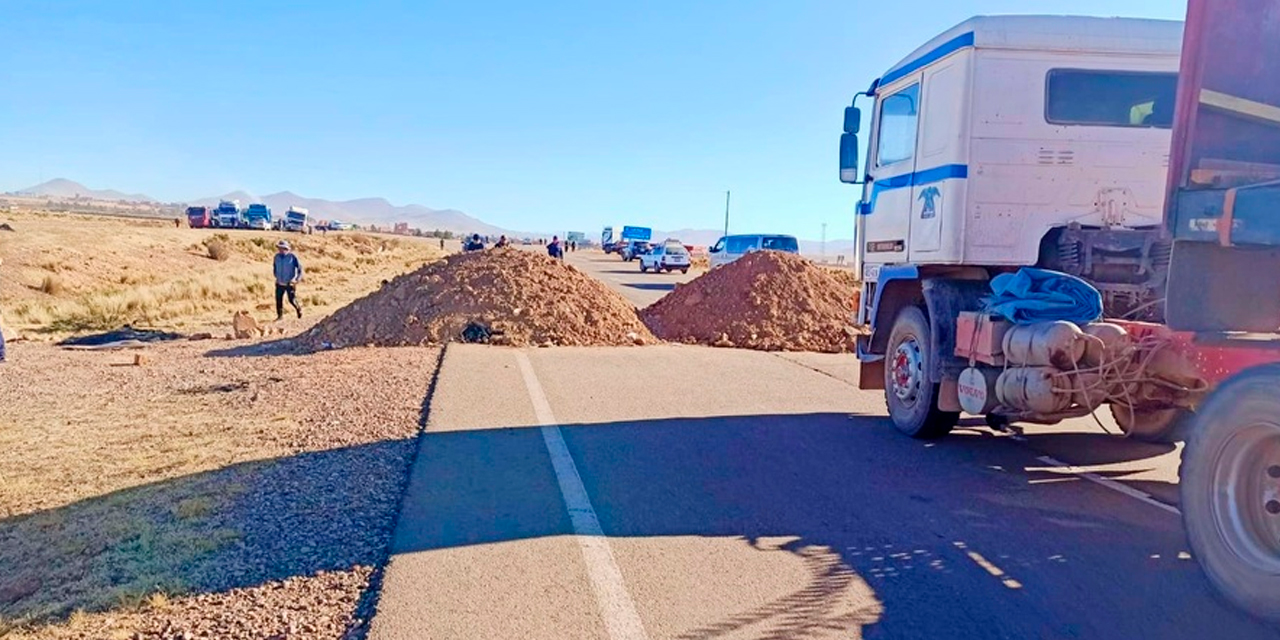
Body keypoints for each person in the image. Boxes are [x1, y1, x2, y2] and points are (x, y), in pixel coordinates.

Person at [273, 240, 304, 320]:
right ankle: (280, 316)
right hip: (279, 283)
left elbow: (300, 269)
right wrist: (276, 276)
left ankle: (298, 309)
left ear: (287, 248)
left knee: (291, 299)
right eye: (279, 248)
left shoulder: (292, 257)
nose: (280, 250)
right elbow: (275, 267)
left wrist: (296, 280)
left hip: (289, 283)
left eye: (282, 248)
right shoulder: (276, 257)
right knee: (278, 300)